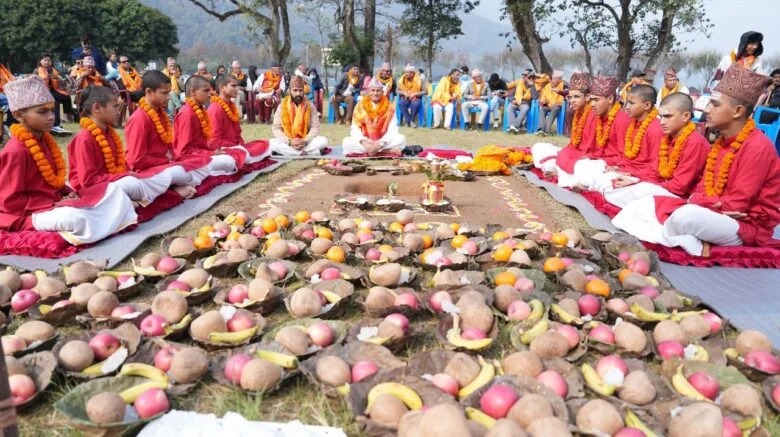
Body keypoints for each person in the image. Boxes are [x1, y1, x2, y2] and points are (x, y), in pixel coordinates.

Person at [614, 64, 780, 256]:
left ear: (738, 111)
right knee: (640, 206)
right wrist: (697, 199)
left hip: (744, 227)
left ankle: (687, 242)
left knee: (685, 217)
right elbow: (702, 189)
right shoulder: (721, 143)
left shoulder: (757, 147)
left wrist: (697, 201)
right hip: (711, 211)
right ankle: (683, 239)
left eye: (715, 104)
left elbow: (736, 205)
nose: (706, 109)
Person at [0, 75, 137, 243]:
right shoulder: (16, 151)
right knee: (74, 217)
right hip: (30, 214)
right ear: (18, 115)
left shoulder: (44, 141)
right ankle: (102, 224)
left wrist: (67, 193)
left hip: (55, 204)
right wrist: (55, 202)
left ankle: (102, 223)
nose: (51, 117)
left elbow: (53, 183)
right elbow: (10, 202)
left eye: (51, 110)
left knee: (114, 193)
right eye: (42, 112)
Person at [68, 86, 173, 206]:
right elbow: (88, 181)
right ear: (97, 108)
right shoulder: (84, 138)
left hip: (117, 183)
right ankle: (137, 201)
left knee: (164, 177)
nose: (119, 112)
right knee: (132, 183)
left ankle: (134, 201)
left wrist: (127, 174)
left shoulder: (109, 133)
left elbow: (122, 166)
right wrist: (124, 175)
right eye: (115, 107)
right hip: (95, 190)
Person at [603, 92, 709, 208]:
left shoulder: (695, 143)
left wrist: (638, 182)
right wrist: (633, 177)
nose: (662, 122)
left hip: (682, 196)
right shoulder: (667, 137)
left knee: (635, 192)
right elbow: (655, 171)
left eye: (668, 116)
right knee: (612, 186)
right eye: (661, 116)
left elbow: (679, 186)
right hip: (659, 186)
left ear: (685, 116)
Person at [125, 70, 211, 199]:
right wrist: (167, 160)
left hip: (165, 166)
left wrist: (170, 160)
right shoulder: (139, 119)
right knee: (182, 172)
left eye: (169, 92)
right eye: (164, 93)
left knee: (202, 165)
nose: (169, 97)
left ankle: (175, 187)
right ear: (148, 92)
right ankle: (174, 188)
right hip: (147, 172)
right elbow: (137, 160)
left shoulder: (159, 113)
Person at [592, 84, 663, 193]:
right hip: (629, 171)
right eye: (627, 102)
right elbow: (627, 156)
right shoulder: (633, 124)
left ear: (647, 105)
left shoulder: (655, 129)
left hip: (642, 177)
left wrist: (633, 176)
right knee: (600, 178)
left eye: (631, 103)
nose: (627, 107)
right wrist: (618, 166)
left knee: (606, 184)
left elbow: (655, 169)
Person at [564, 76, 632, 189]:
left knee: (585, 167)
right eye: (591, 100)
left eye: (596, 100)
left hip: (612, 165)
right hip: (599, 161)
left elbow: (624, 155)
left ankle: (586, 184)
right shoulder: (599, 117)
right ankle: (585, 183)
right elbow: (595, 149)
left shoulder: (621, 120)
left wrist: (611, 164)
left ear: (610, 99)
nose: (592, 104)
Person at [531, 72, 595, 177]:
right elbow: (573, 144)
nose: (572, 101)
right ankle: (560, 168)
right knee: (538, 147)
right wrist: (566, 152)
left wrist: (571, 155)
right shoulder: (577, 114)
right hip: (574, 154)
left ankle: (561, 170)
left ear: (587, 97)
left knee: (584, 167)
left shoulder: (593, 115)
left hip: (586, 159)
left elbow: (591, 151)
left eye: (576, 97)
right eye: (570, 97)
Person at [174, 76, 241, 175]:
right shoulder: (187, 113)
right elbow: (183, 152)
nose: (209, 94)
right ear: (193, 91)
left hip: (205, 155)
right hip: (191, 161)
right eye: (206, 91)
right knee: (229, 161)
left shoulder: (200, 109)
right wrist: (211, 153)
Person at [207, 74, 272, 165]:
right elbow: (214, 142)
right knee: (249, 154)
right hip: (223, 150)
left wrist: (241, 145)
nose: (236, 89)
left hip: (236, 147)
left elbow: (237, 132)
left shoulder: (231, 105)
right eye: (233, 86)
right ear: (222, 87)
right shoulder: (215, 108)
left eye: (237, 86)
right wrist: (237, 146)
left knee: (266, 144)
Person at [342, 79, 406, 155]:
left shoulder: (390, 107)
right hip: (366, 142)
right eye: (373, 90)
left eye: (378, 91)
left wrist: (380, 144)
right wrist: (364, 143)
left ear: (382, 92)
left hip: (383, 141)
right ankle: (384, 151)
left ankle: (375, 150)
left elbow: (393, 129)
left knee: (401, 139)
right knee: (346, 142)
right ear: (368, 92)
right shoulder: (360, 106)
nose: (375, 93)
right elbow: (355, 128)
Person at [269, 76, 328, 156]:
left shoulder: (310, 106)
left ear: (304, 91)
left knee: (323, 141)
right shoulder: (282, 106)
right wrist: (289, 142)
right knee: (272, 143)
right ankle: (310, 153)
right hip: (288, 141)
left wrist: (305, 141)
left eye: (300, 90)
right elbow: (276, 128)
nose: (298, 93)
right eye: (295, 90)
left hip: (305, 141)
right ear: (290, 91)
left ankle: (290, 153)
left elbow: (315, 127)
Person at [36, 53, 74, 135]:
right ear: (40, 61)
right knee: (54, 102)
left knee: (67, 97)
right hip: (43, 92)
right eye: (45, 60)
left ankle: (67, 115)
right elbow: (41, 79)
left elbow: (62, 82)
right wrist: (48, 76)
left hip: (54, 90)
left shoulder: (54, 70)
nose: (47, 62)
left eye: (49, 60)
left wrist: (57, 78)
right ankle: (56, 125)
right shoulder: (38, 70)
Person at [506, 69, 538, 134]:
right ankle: (516, 127)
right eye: (522, 75)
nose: (523, 76)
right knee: (509, 107)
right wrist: (512, 99)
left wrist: (532, 85)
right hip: (516, 102)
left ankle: (514, 127)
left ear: (530, 76)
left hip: (525, 103)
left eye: (525, 75)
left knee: (525, 109)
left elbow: (535, 97)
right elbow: (510, 94)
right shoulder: (519, 83)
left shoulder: (534, 85)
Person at [539, 70, 566, 135]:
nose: (553, 80)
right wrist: (543, 101)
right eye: (553, 78)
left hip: (558, 105)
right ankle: (541, 129)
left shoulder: (564, 85)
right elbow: (543, 96)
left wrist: (555, 104)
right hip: (548, 105)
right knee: (542, 110)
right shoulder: (547, 86)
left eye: (556, 79)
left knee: (554, 109)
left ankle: (546, 131)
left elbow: (565, 95)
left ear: (560, 80)